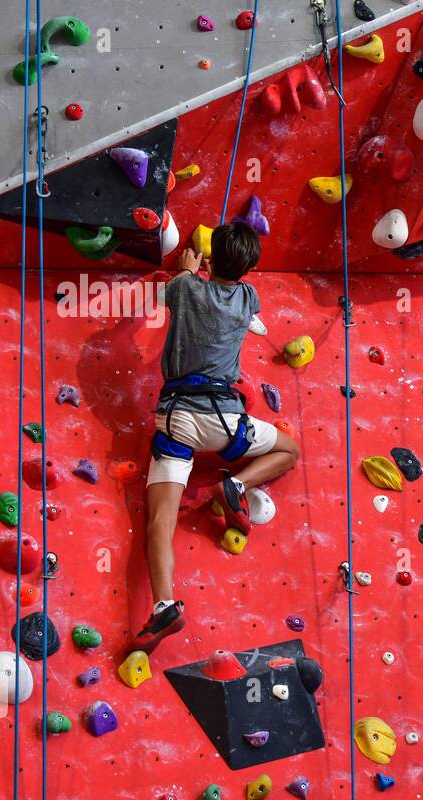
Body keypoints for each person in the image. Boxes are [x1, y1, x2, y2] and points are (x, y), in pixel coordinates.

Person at [133, 223, 299, 652]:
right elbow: (226, 283)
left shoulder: (185, 288)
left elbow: (176, 288)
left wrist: (188, 269)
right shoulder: (248, 299)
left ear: (209, 258)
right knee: (288, 450)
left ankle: (164, 605)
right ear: (251, 269)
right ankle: (237, 484)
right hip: (227, 419)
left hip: (179, 419)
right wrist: (204, 269)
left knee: (159, 522)